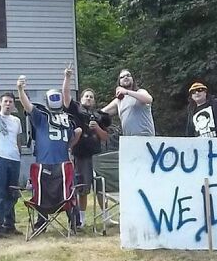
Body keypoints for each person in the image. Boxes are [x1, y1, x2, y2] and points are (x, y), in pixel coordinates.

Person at [62, 64, 111, 230]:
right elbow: (66, 97)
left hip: (97, 155)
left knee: (101, 188)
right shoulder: (76, 110)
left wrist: (96, 128)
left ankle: (106, 216)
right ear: (81, 99)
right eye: (86, 96)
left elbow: (105, 137)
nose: (88, 99)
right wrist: (67, 78)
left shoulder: (99, 116)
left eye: (91, 97)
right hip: (80, 155)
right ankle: (81, 219)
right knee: (82, 188)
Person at [16, 75, 82, 164]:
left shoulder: (65, 119)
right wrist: (20, 90)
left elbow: (76, 133)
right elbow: (27, 105)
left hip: (60, 162)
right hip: (47, 162)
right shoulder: (42, 117)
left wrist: (69, 148)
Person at [0, 75, 23, 237]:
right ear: (0, 103)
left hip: (14, 159)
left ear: (14, 104)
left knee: (12, 193)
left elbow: (18, 140)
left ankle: (10, 224)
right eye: (5, 101)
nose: (8, 104)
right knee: (0, 193)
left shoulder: (16, 120)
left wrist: (19, 154)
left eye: (10, 101)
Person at [102, 68, 155, 136]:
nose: (126, 77)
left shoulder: (140, 92)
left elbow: (149, 99)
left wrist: (127, 92)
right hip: (129, 140)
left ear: (132, 79)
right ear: (119, 83)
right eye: (122, 77)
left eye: (128, 75)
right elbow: (103, 112)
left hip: (145, 137)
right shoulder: (118, 101)